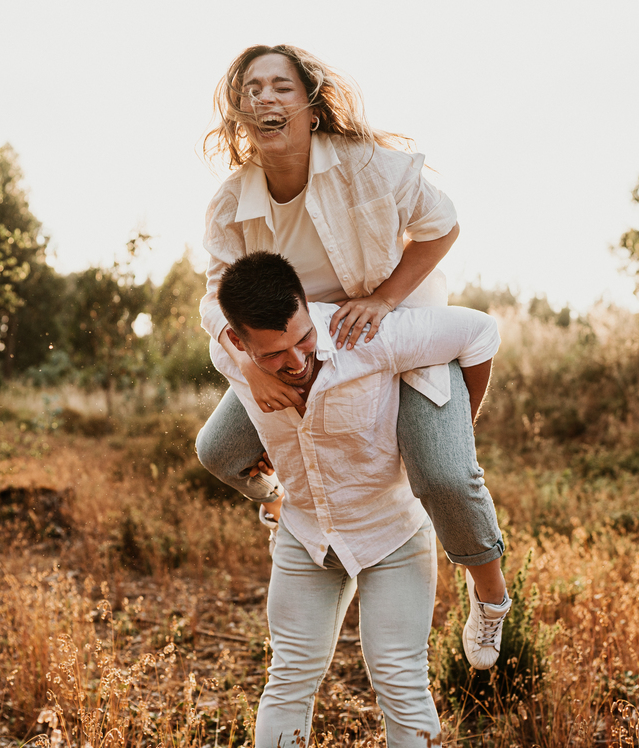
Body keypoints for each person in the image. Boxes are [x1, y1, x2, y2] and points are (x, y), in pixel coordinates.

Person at [197, 44, 511, 670]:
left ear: (311, 108)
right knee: (219, 450)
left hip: (393, 331)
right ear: (238, 117)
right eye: (252, 89)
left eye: (282, 87)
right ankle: (287, 503)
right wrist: (252, 366)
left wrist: (386, 300)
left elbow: (442, 226)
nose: (266, 98)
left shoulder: (368, 166)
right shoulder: (232, 203)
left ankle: (491, 598)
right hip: (298, 347)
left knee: (443, 475)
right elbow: (215, 303)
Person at [216, 251, 503, 748]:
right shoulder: (230, 355)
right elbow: (223, 352)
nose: (297, 360)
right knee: (289, 677)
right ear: (239, 343)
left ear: (306, 310)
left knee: (400, 679)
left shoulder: (370, 337)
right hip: (306, 531)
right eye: (272, 355)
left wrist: (458, 431)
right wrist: (253, 374)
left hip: (390, 528)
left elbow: (481, 333)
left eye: (302, 339)